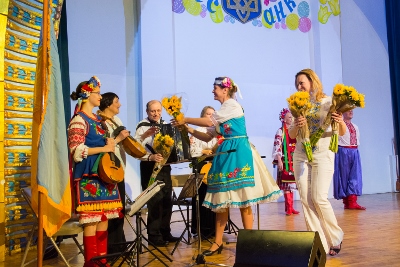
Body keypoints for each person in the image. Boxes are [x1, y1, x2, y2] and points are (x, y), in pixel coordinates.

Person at [172, 77, 282, 256]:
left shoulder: (231, 105)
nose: (213, 91)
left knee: (244, 198)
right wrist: (187, 128)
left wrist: (185, 118)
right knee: (222, 200)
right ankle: (217, 242)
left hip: (239, 152)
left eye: (215, 88)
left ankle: (249, 242)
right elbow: (208, 136)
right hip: (226, 153)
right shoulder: (223, 111)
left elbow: (209, 122)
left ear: (225, 90)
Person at [289, 69, 345, 256]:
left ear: (312, 81)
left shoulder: (329, 102)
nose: (299, 86)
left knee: (319, 197)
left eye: (302, 82)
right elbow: (291, 135)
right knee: (305, 199)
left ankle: (335, 237)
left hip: (322, 153)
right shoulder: (298, 104)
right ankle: (319, 242)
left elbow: (342, 131)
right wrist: (296, 125)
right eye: (297, 83)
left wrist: (340, 121)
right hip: (301, 154)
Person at [68, 77, 123, 266]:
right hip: (88, 176)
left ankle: (102, 261)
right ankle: (91, 262)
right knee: (91, 221)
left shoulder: (99, 121)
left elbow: (105, 146)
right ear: (87, 95)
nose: (100, 96)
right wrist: (104, 149)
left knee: (104, 218)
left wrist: (112, 143)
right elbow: (75, 150)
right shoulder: (78, 120)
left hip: (104, 175)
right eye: (97, 93)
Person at [134, 100, 179, 246]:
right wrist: (150, 155)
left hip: (165, 166)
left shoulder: (166, 125)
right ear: (147, 112)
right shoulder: (142, 126)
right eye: (153, 111)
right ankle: (154, 235)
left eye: (158, 110)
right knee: (154, 201)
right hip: (149, 166)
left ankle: (165, 232)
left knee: (167, 200)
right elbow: (135, 148)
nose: (156, 113)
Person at [99, 92, 131, 253]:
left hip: (120, 169)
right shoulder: (100, 121)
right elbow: (106, 144)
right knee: (111, 211)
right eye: (117, 101)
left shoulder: (116, 120)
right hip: (108, 169)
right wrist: (118, 138)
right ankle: (110, 248)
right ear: (108, 104)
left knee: (120, 210)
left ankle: (120, 244)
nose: (119, 104)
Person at [189, 106, 217, 237]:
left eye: (213, 114)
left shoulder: (216, 131)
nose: (210, 116)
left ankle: (215, 228)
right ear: (202, 116)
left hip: (215, 166)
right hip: (202, 167)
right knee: (203, 197)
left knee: (215, 198)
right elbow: (192, 151)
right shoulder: (197, 131)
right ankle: (202, 229)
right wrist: (205, 151)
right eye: (207, 114)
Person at [333, 110, 366, 210]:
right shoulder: (338, 125)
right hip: (343, 151)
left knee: (355, 176)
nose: (351, 111)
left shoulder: (355, 126)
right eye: (347, 110)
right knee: (344, 176)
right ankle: (347, 201)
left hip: (354, 151)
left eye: (352, 110)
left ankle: (352, 201)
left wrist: (355, 152)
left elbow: (357, 140)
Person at [272, 108, 300, 216]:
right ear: (284, 119)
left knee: (291, 184)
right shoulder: (281, 131)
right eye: (289, 117)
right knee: (286, 184)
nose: (291, 119)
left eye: (292, 117)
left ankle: (291, 207)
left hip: (293, 160)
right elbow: (277, 146)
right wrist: (279, 160)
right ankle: (289, 208)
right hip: (285, 161)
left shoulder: (294, 130)